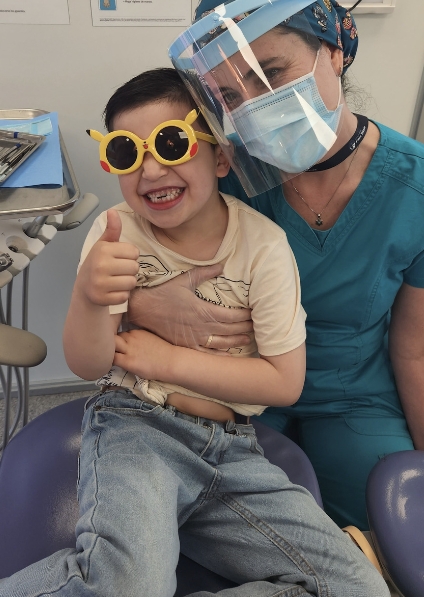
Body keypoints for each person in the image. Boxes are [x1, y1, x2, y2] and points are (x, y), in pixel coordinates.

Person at [0, 68, 388, 597]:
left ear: (221, 157)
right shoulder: (117, 234)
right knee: (127, 585)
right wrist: (88, 297)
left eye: (172, 143)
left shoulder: (264, 247)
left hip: (233, 450)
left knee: (359, 588)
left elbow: (283, 382)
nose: (151, 170)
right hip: (137, 427)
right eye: (126, 153)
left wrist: (163, 360)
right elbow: (87, 364)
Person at [124, 0, 424, 531]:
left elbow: (418, 349)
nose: (254, 102)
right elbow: (133, 263)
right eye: (230, 94)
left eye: (271, 72)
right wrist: (142, 307)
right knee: (210, 530)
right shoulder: (221, 173)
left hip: (354, 396)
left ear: (333, 52)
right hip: (231, 385)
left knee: (400, 527)